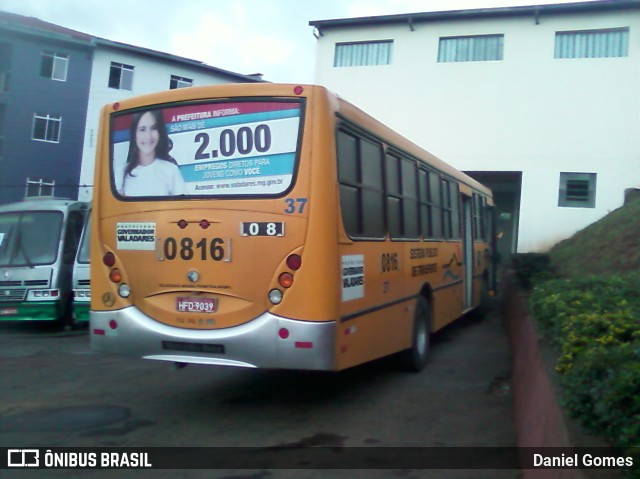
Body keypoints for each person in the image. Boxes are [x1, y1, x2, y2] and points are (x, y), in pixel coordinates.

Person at [121, 110, 187, 196]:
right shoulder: (121, 172)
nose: (148, 136)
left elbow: (182, 206)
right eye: (142, 129)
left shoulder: (171, 170)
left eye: (154, 128)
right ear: (134, 134)